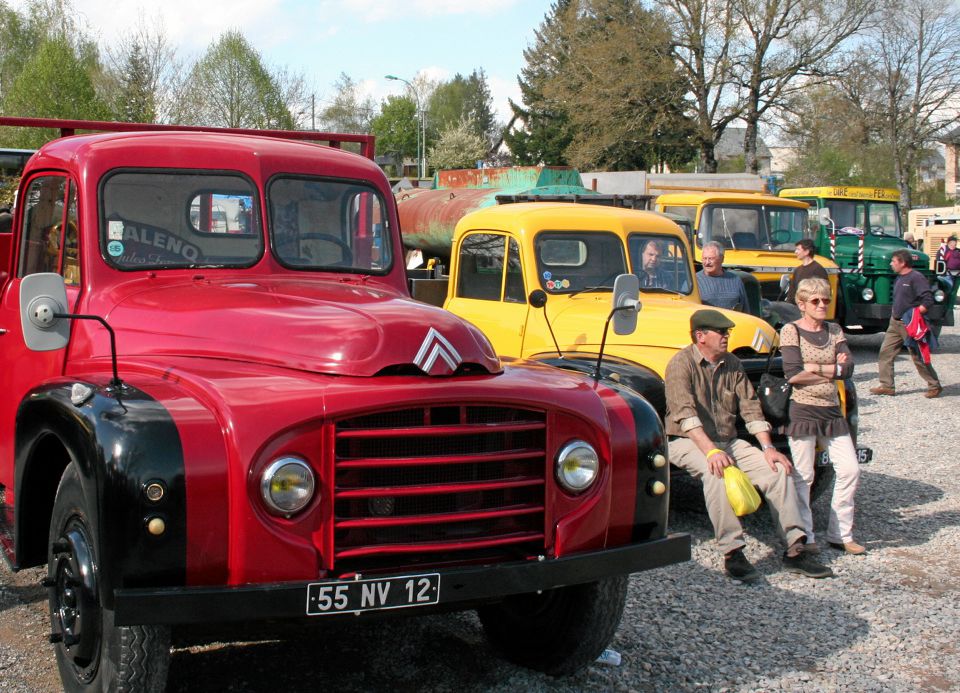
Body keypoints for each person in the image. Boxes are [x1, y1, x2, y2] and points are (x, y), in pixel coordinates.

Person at [665, 308, 833, 582]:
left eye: (726, 332)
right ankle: (733, 552)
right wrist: (712, 451)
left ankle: (795, 548)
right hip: (686, 440)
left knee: (778, 471)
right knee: (717, 473)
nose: (726, 337)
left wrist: (768, 448)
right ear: (700, 336)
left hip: (727, 440)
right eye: (721, 332)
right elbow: (685, 416)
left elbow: (751, 408)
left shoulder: (732, 363)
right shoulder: (680, 364)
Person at [781, 277, 864, 555]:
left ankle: (840, 533)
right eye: (815, 301)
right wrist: (831, 370)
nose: (822, 305)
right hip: (803, 410)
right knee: (804, 475)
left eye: (826, 300)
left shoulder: (835, 330)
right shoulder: (791, 331)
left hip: (831, 410)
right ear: (802, 304)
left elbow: (849, 368)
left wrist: (814, 367)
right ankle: (804, 534)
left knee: (850, 469)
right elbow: (793, 373)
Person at [870, 249, 942, 398]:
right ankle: (887, 386)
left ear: (902, 263)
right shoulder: (899, 278)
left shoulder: (916, 278)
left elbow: (928, 300)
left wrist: (915, 316)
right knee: (885, 353)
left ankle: (934, 385)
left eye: (893, 261)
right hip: (894, 323)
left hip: (909, 325)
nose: (891, 264)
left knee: (917, 357)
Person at [696, 241, 750, 311]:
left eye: (711, 259)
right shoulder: (695, 281)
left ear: (722, 259)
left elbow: (745, 309)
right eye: (704, 258)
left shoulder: (735, 280)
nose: (707, 263)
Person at [786, 238, 828, 305]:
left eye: (798, 249)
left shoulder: (818, 269)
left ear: (806, 252)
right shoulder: (797, 270)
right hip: (797, 309)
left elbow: (823, 292)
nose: (795, 252)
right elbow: (792, 292)